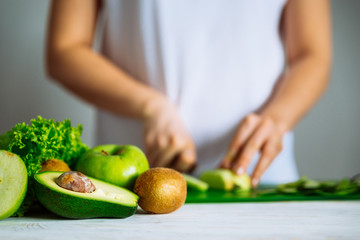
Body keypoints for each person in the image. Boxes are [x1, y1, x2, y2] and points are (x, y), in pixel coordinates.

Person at [46, 0, 331, 187]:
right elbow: (64, 48)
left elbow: (312, 55)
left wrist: (277, 119)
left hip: (260, 179)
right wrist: (150, 106)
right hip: (131, 185)